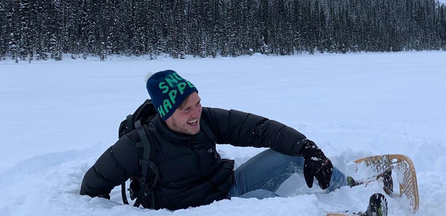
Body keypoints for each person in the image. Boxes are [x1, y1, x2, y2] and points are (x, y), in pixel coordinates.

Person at [80, 69, 386, 215]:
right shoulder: (139, 145)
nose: (195, 114)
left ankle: (348, 187)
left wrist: (308, 149)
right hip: (206, 210)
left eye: (198, 103)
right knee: (270, 205)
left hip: (230, 186)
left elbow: (259, 128)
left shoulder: (206, 119)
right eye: (186, 109)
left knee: (290, 155)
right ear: (165, 114)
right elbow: (89, 191)